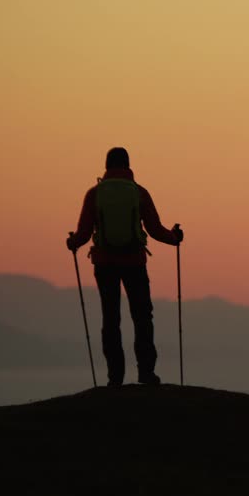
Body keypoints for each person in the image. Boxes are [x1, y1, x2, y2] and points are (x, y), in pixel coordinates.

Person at [66, 147, 183, 386]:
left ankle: (114, 377)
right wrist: (175, 237)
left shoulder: (94, 194)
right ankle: (146, 373)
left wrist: (73, 242)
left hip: (104, 263)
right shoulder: (138, 193)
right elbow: (155, 229)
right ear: (128, 165)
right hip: (134, 262)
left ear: (106, 166)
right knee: (142, 316)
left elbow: (84, 233)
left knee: (111, 318)